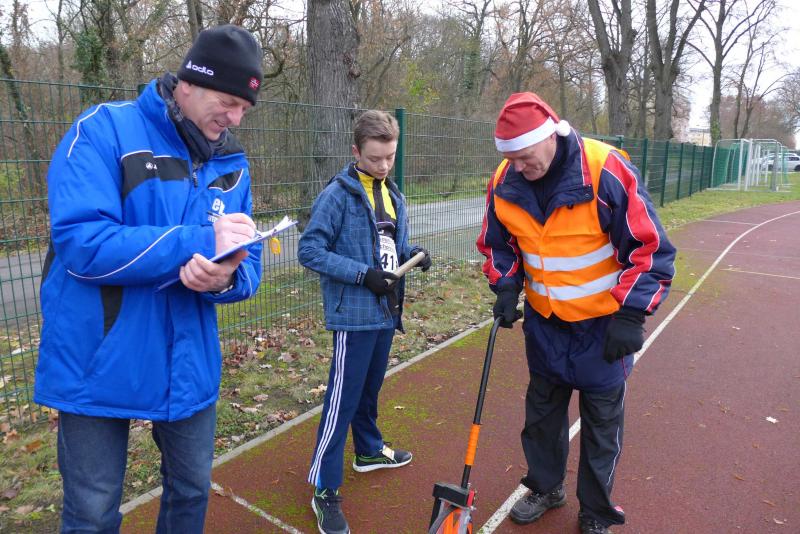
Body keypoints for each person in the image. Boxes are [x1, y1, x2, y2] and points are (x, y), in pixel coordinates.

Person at [34, 25, 264, 533]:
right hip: (97, 355)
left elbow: (249, 262)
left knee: (191, 491)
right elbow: (83, 244)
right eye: (228, 102)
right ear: (189, 84)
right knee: (92, 513)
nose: (234, 118)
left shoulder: (232, 164)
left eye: (244, 109)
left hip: (188, 360)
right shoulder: (103, 130)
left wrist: (223, 280)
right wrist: (198, 241)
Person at [476, 93, 676, 534]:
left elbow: (650, 248)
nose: (520, 168)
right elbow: (498, 244)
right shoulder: (505, 179)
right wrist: (506, 285)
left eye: (526, 157)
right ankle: (546, 487)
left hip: (604, 327)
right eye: (511, 160)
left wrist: (632, 314)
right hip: (545, 324)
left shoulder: (605, 169)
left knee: (601, 426)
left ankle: (596, 510)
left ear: (552, 135)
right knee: (542, 417)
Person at [297, 110, 431, 534]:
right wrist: (361, 274)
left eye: (390, 157)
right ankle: (324, 488)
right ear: (356, 151)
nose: (384, 165)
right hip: (353, 317)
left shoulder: (394, 193)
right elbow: (309, 250)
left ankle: (369, 450)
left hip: (386, 312)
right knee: (342, 401)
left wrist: (415, 254)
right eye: (375, 158)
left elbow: (392, 245)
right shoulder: (337, 195)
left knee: (369, 391)